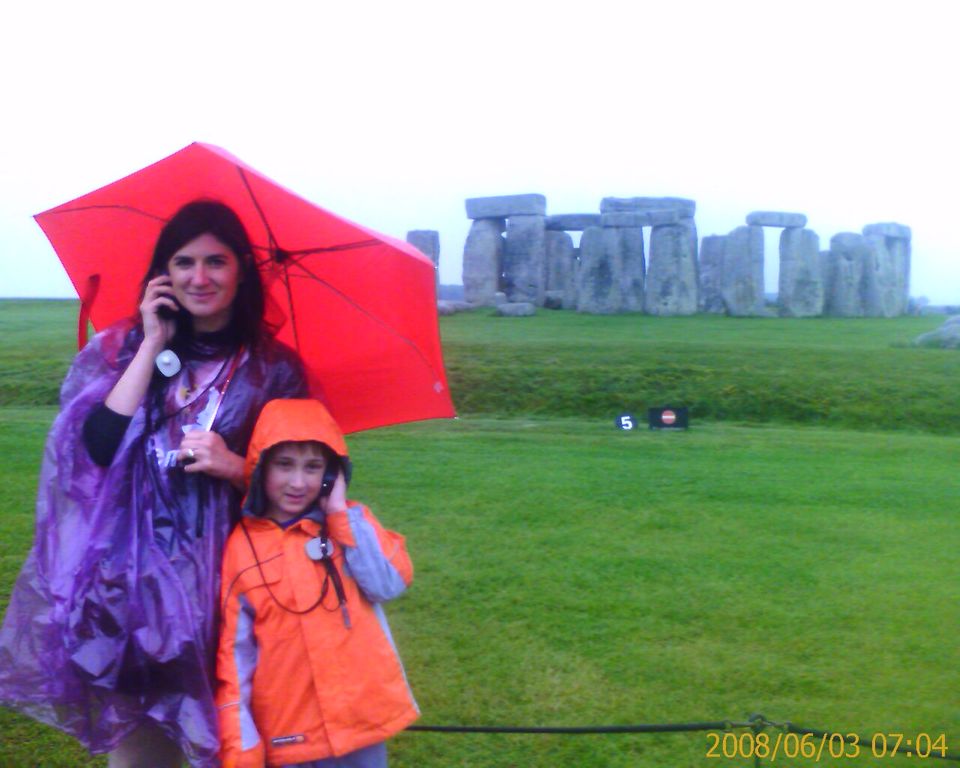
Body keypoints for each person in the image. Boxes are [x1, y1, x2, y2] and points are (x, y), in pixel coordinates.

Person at [0, 200, 308, 768]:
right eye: (184, 262)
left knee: (234, 741)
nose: (199, 277)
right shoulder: (124, 349)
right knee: (141, 752)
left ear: (241, 269)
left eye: (215, 262)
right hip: (130, 585)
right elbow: (95, 448)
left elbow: (303, 487)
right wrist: (150, 343)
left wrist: (236, 466)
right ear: (162, 275)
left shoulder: (276, 370)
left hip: (231, 586)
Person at [216, 398, 418, 768]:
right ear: (260, 467)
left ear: (331, 474)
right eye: (284, 465)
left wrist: (340, 513)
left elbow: (388, 584)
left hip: (362, 724)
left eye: (313, 468)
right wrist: (241, 750)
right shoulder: (241, 550)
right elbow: (234, 660)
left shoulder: (351, 523)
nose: (298, 482)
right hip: (291, 732)